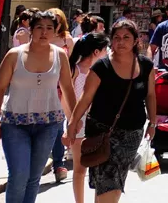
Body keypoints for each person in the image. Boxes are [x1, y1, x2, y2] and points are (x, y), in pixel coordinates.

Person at [0, 10, 77, 203]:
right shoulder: (15, 55)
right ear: (31, 29)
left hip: (49, 124)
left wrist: (74, 122)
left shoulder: (60, 55)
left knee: (33, 178)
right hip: (15, 124)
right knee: (19, 176)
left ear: (56, 32)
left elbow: (68, 89)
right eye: (39, 27)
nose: (44, 32)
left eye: (49, 28)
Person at [65, 20, 157, 203]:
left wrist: (153, 122)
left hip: (132, 135)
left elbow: (151, 95)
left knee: (109, 183)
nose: (121, 42)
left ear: (136, 40)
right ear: (111, 40)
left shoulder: (146, 65)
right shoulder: (102, 67)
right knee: (110, 185)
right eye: (116, 38)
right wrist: (73, 122)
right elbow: (85, 98)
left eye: (126, 37)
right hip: (103, 133)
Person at [67, 32, 110, 203]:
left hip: (96, 124)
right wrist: (72, 121)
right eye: (105, 49)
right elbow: (65, 98)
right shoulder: (74, 70)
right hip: (78, 124)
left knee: (97, 168)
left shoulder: (101, 71)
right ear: (97, 52)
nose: (108, 52)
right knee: (80, 169)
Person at [47, 8, 76, 183]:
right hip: (43, 87)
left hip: (60, 87)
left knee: (58, 124)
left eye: (57, 19)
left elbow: (70, 66)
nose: (54, 22)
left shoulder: (67, 40)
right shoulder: (43, 37)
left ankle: (58, 163)